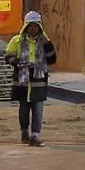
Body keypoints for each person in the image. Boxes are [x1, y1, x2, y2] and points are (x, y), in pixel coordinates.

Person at [5, 11, 57, 146]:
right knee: (23, 108)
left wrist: (47, 45)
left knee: (38, 109)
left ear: (39, 26)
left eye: (35, 25)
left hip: (38, 81)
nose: (33, 28)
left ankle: (35, 135)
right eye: (30, 25)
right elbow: (8, 56)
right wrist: (16, 62)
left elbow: (52, 59)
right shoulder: (16, 40)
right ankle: (24, 132)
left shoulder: (45, 41)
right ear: (26, 26)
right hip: (22, 81)